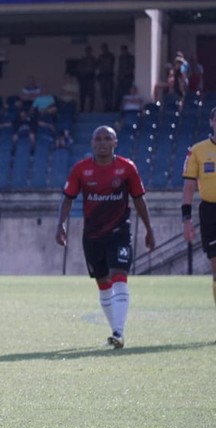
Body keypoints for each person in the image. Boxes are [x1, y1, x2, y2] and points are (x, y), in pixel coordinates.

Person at [55, 125, 155, 349]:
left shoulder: (126, 168)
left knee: (119, 275)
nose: (102, 142)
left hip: (119, 232)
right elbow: (67, 198)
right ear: (92, 143)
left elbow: (139, 198)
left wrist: (149, 228)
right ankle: (116, 332)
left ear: (115, 143)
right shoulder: (81, 170)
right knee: (102, 283)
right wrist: (60, 223)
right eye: (97, 138)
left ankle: (118, 332)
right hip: (92, 236)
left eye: (106, 138)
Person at [181, 107, 216, 310]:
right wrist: (186, 219)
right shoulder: (197, 151)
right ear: (211, 122)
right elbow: (188, 187)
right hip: (210, 213)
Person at [75, 45, 97, 112]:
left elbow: (95, 68)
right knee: (82, 95)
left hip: (90, 79)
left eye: (89, 51)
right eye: (87, 51)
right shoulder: (82, 60)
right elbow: (78, 68)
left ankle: (91, 109)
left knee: (91, 95)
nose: (88, 52)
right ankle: (82, 109)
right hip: (83, 79)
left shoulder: (94, 60)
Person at [115, 45, 135, 112]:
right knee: (119, 94)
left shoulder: (130, 58)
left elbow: (131, 68)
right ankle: (118, 108)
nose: (123, 52)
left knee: (127, 93)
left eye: (123, 50)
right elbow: (120, 68)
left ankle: (125, 108)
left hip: (128, 78)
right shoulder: (121, 58)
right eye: (122, 50)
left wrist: (125, 74)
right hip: (121, 79)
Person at [97, 43, 116, 112]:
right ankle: (105, 107)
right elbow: (98, 65)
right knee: (103, 93)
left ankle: (110, 107)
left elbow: (110, 64)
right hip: (102, 77)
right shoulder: (100, 56)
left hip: (109, 76)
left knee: (109, 93)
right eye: (103, 48)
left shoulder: (111, 56)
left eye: (105, 48)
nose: (104, 50)